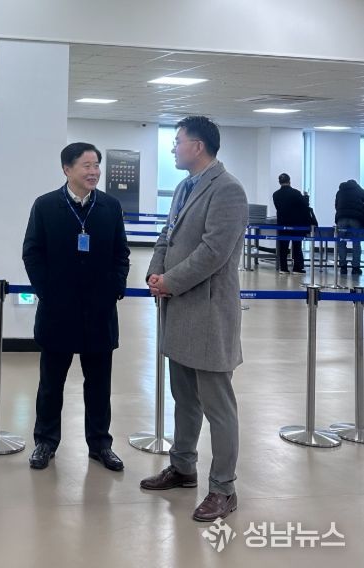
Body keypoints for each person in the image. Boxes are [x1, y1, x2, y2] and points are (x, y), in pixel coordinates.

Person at [141, 116, 248, 522]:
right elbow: (167, 236)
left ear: (198, 146)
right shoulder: (185, 187)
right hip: (179, 308)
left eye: (178, 141)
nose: (173, 148)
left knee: (218, 406)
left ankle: (223, 488)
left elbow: (213, 252)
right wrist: (155, 273)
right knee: (184, 397)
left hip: (208, 313)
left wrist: (169, 281)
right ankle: (183, 466)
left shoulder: (228, 190)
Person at [22, 142, 130, 472]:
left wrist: (114, 288)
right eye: (86, 165)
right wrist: (48, 292)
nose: (94, 171)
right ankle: (45, 441)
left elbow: (121, 253)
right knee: (50, 384)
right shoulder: (45, 205)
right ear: (67, 169)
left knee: (99, 385)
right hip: (58, 311)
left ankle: (100, 444)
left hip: (99, 311)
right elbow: (32, 252)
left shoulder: (110, 206)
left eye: (96, 165)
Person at [272, 173, 310, 274]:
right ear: (289, 181)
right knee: (297, 246)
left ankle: (283, 268)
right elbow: (305, 206)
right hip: (296, 224)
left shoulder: (275, 195)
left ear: (279, 182)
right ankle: (297, 268)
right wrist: (306, 197)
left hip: (282, 224)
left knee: (283, 247)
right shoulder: (296, 193)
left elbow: (278, 207)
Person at [335, 179, 364, 275]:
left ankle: (343, 267)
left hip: (341, 218)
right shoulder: (358, 190)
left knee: (341, 243)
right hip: (356, 218)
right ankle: (355, 268)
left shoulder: (340, 191)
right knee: (356, 243)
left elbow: (336, 205)